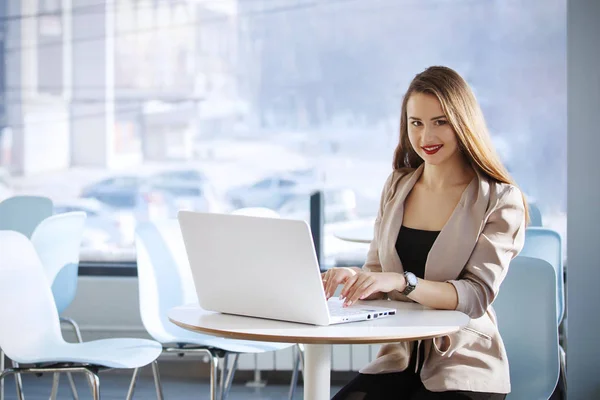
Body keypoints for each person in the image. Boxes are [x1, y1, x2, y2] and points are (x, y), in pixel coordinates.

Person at [323, 66, 529, 400]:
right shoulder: (397, 186)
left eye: (440, 122)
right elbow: (377, 273)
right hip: (398, 361)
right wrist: (356, 280)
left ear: (462, 123)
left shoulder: (500, 199)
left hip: (464, 368)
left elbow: (475, 297)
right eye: (415, 123)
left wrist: (404, 281)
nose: (425, 138)